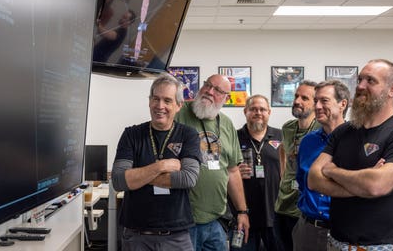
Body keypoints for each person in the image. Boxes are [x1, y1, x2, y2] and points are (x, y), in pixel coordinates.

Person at [308, 59, 393, 251]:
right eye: (360, 79)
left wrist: (333, 171)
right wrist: (361, 184)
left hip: (382, 246)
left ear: (392, 90)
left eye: (370, 81)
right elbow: (314, 179)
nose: (360, 86)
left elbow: (375, 185)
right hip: (336, 243)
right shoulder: (343, 132)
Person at [111, 73, 202, 250]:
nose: (160, 106)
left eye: (167, 100)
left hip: (177, 235)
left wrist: (137, 177)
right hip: (136, 235)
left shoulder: (188, 135)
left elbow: (188, 178)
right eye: (156, 99)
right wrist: (162, 166)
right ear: (149, 101)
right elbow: (119, 181)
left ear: (178, 106)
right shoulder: (131, 135)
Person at [175, 74, 250, 251]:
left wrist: (242, 211)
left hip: (216, 221)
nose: (209, 91)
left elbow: (232, 171)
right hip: (182, 222)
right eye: (207, 85)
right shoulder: (178, 113)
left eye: (217, 90)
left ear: (225, 97)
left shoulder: (226, 124)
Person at [292, 80, 350, 251]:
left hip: (343, 230)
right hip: (308, 229)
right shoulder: (307, 142)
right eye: (315, 100)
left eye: (324, 101)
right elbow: (302, 181)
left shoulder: (357, 140)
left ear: (342, 104)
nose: (317, 106)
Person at [275, 80, 321, 251]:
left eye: (304, 98)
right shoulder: (287, 128)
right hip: (282, 206)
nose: (297, 101)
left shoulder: (321, 129)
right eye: (296, 96)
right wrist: (284, 175)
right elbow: (283, 150)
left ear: (316, 103)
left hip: (304, 210)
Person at [236, 95, 283, 251]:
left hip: (275, 215)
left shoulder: (281, 136)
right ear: (245, 111)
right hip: (244, 215)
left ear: (269, 112)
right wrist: (236, 172)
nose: (258, 112)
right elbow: (223, 173)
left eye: (262, 109)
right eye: (253, 109)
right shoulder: (234, 138)